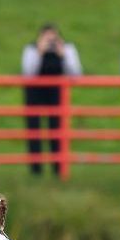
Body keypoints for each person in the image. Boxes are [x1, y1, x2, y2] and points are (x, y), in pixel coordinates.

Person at [21, 24, 83, 176]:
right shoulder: (31, 49)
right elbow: (28, 74)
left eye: (53, 37)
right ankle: (36, 170)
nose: (50, 41)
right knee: (34, 131)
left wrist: (64, 55)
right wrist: (39, 53)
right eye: (46, 37)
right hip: (34, 93)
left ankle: (58, 169)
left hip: (57, 93)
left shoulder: (67, 49)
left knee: (57, 130)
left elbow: (76, 74)